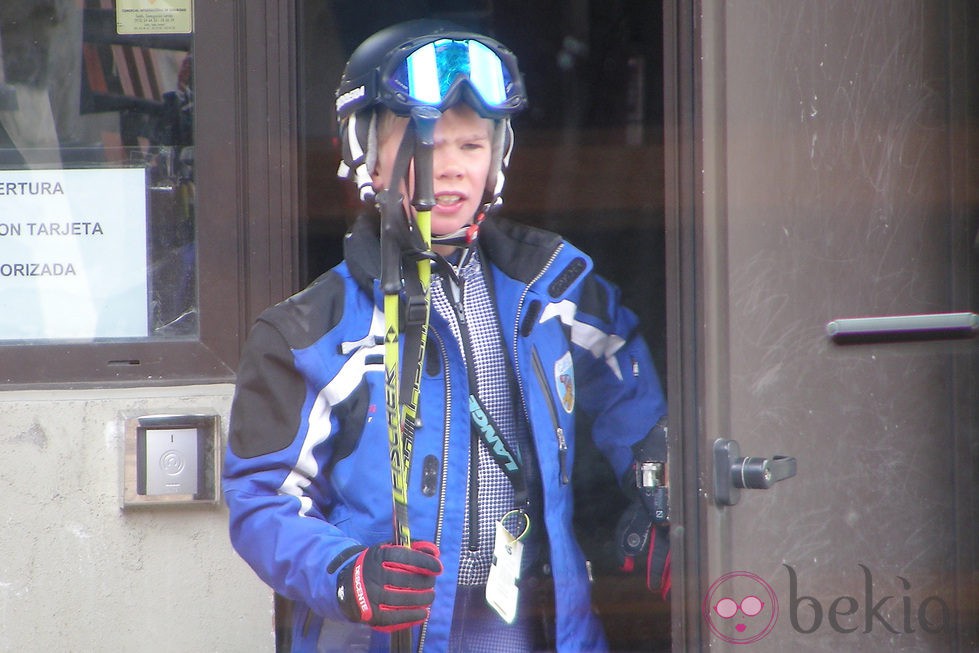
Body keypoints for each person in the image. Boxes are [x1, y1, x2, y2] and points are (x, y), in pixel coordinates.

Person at [222, 19, 669, 653]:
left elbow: (630, 390)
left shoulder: (557, 288)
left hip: (541, 629)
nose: (453, 170)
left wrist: (661, 487)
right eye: (425, 146)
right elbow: (262, 497)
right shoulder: (309, 334)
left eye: (472, 146)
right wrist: (346, 574)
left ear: (500, 156)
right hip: (387, 635)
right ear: (365, 153)